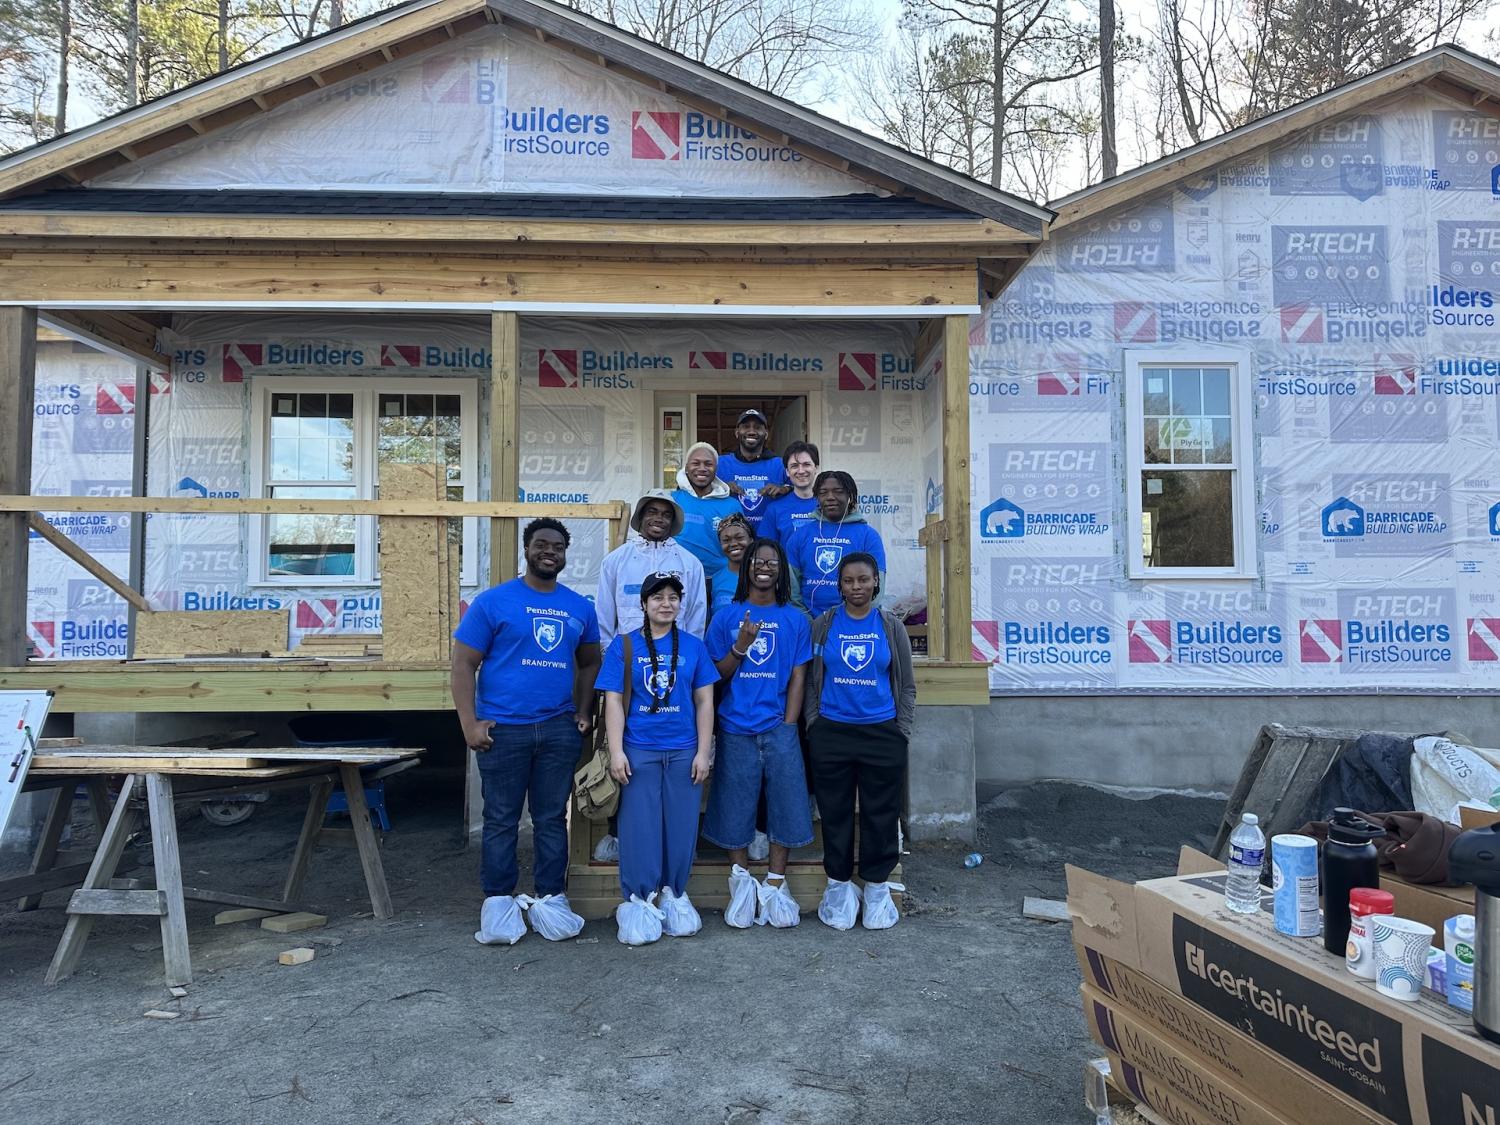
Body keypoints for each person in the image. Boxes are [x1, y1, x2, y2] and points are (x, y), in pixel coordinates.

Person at [451, 517, 600, 945]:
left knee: (552, 819)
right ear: (527, 549)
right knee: (501, 819)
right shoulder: (494, 602)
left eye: (557, 546)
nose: (549, 551)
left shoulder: (578, 607)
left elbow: (590, 662)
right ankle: (499, 902)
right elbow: (463, 663)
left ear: (565, 555)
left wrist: (583, 711)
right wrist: (468, 722)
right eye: (541, 544)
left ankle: (551, 899)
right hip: (504, 731)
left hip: (557, 729)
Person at [597, 572, 720, 945]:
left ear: (681, 604)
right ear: (644, 604)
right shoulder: (625, 646)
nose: (666, 603)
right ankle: (640, 899)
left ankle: (674, 893)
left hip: (683, 751)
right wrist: (617, 751)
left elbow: (704, 701)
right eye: (658, 597)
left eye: (673, 597)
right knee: (639, 829)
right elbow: (614, 701)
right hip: (640, 750)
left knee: (681, 828)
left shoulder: (695, 647)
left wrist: (703, 751)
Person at [703, 538, 813, 928]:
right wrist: (740, 645)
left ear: (781, 570)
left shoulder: (795, 619)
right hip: (734, 726)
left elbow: (799, 676)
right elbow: (715, 676)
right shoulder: (725, 617)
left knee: (785, 803)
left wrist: (788, 723)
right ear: (746, 566)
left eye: (772, 562)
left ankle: (775, 881)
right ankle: (741, 881)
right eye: (757, 561)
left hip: (778, 727)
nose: (764, 567)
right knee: (734, 805)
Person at [804, 552, 915, 931]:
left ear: (875, 583)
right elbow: (811, 680)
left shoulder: (890, 626)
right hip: (832, 732)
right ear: (840, 585)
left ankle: (877, 887)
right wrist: (815, 723)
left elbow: (908, 685)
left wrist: (902, 731)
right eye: (849, 581)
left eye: (863, 580)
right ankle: (838, 885)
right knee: (834, 814)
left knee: (881, 814)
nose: (856, 587)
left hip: (881, 732)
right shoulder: (823, 624)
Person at [597, 490, 707, 648]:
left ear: (673, 521)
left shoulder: (690, 564)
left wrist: (689, 654)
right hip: (628, 656)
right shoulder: (615, 560)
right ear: (641, 516)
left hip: (675, 655)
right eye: (652, 512)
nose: (659, 519)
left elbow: (697, 616)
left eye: (666, 515)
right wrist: (608, 653)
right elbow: (604, 614)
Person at [785, 470, 886, 618]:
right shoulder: (800, 535)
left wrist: (854, 619)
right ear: (817, 497)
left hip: (852, 622)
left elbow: (877, 588)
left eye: (838, 491)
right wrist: (805, 620)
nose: (830, 497)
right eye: (823, 492)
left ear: (850, 496)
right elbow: (791, 587)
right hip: (808, 623)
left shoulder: (868, 536)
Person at [672, 441, 744, 603]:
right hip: (680, 578)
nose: (702, 468)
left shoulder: (731, 505)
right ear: (686, 468)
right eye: (695, 463)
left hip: (721, 580)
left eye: (708, 464)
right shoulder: (673, 500)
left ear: (716, 469)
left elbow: (741, 545)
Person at [717, 409, 789, 536]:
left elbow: (800, 490)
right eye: (745, 427)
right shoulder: (720, 464)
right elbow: (696, 487)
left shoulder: (780, 465)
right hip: (732, 541)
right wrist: (720, 488)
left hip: (769, 541)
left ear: (766, 434)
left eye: (757, 427)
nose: (751, 431)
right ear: (737, 432)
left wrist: (784, 489)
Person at [763, 440, 820, 545]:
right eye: (794, 466)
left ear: (816, 468)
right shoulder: (774, 509)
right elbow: (767, 550)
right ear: (787, 472)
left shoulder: (829, 505)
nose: (801, 471)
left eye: (806, 464)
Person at [708, 513, 752, 623]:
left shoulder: (764, 577)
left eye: (739, 537)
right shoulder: (712, 582)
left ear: (751, 540)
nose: (733, 544)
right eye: (726, 540)